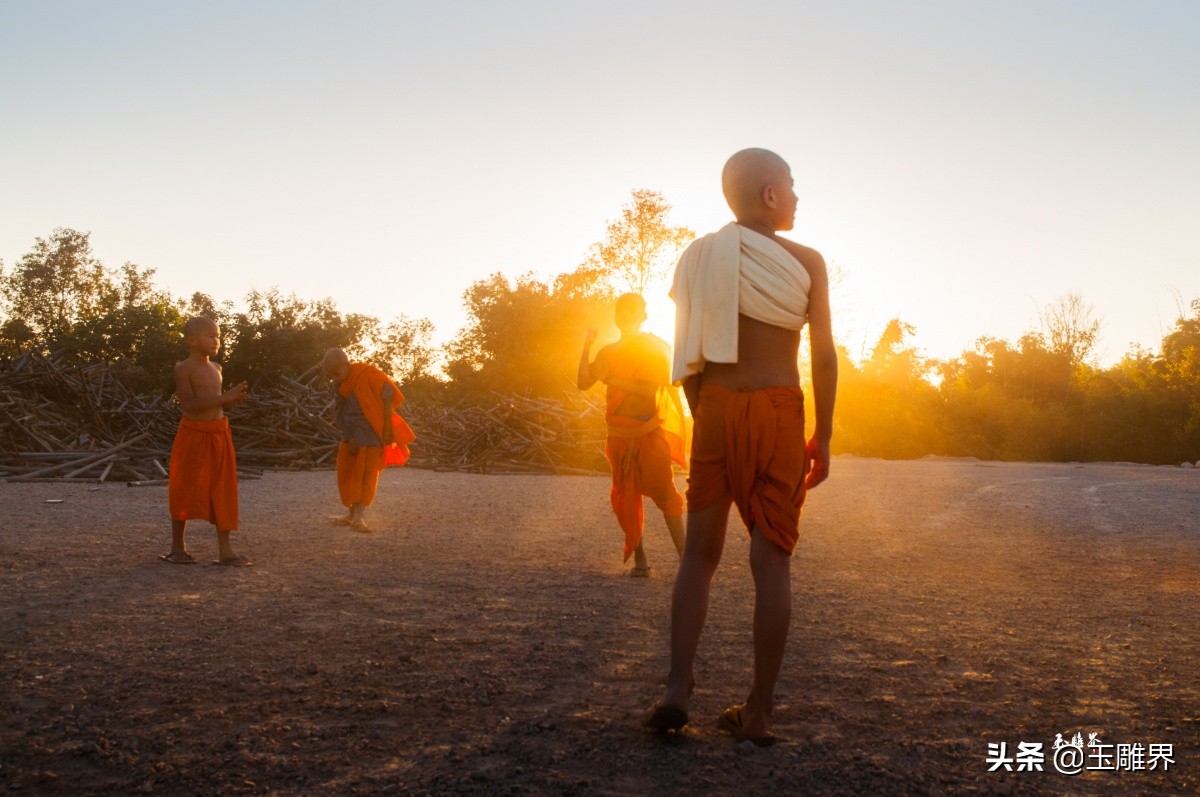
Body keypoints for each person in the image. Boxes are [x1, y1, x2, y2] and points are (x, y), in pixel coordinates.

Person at [644, 149, 837, 746]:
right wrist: (823, 435)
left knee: (698, 556)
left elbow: (689, 354)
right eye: (792, 187)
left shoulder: (699, 257)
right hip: (778, 408)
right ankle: (758, 713)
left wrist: (710, 416)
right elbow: (825, 354)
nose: (799, 198)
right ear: (771, 196)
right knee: (771, 560)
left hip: (718, 407)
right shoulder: (806, 260)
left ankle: (678, 685)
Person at [578, 294, 687, 576]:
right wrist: (586, 345)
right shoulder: (607, 352)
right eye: (621, 311)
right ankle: (641, 562)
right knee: (626, 497)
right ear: (616, 317)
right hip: (618, 435)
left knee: (665, 493)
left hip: (647, 431)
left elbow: (647, 391)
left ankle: (687, 562)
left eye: (632, 311)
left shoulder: (650, 349)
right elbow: (582, 382)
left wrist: (611, 379)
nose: (625, 315)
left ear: (643, 316)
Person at [161, 316, 252, 566]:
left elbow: (215, 401)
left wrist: (230, 400)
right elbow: (190, 404)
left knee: (223, 489)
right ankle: (177, 547)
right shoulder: (184, 368)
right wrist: (225, 399)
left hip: (219, 433)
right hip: (193, 434)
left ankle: (226, 550)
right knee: (184, 488)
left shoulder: (217, 368)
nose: (216, 341)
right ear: (192, 340)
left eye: (218, 336)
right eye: (210, 336)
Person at [322, 348, 415, 532]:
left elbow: (387, 395)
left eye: (337, 373)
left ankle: (359, 517)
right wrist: (349, 436)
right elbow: (338, 413)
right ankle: (351, 514)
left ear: (347, 365)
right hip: (350, 436)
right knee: (347, 473)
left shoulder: (368, 374)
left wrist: (387, 427)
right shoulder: (339, 385)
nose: (335, 377)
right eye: (331, 375)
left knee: (366, 475)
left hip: (372, 434)